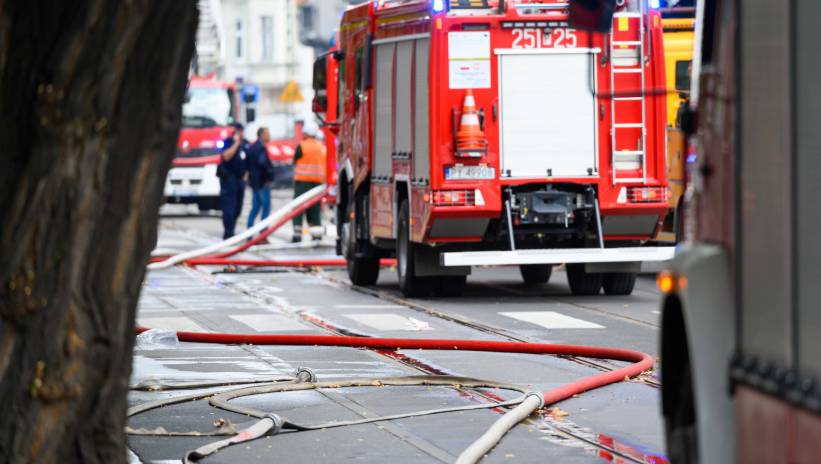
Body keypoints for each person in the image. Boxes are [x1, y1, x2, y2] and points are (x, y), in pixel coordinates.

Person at [291, 128, 326, 242]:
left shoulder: (302, 145)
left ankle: (297, 234)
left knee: (298, 208)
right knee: (315, 209)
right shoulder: (321, 146)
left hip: (302, 182)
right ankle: (316, 234)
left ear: (306, 134)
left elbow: (295, 160)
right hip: (317, 183)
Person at [217, 123, 249, 239]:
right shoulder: (228, 142)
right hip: (229, 179)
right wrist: (236, 143)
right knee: (228, 207)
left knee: (238, 207)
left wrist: (246, 175)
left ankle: (232, 228)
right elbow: (226, 156)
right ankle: (228, 232)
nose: (241, 134)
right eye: (238, 131)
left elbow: (248, 160)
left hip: (240, 179)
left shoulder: (245, 143)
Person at [246, 127, 275, 230]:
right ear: (261, 135)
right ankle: (263, 234)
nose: (269, 135)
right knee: (265, 208)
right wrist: (269, 176)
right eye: (267, 133)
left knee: (255, 208)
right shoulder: (261, 148)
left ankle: (249, 233)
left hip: (254, 183)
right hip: (263, 183)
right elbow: (263, 163)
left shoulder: (252, 148)